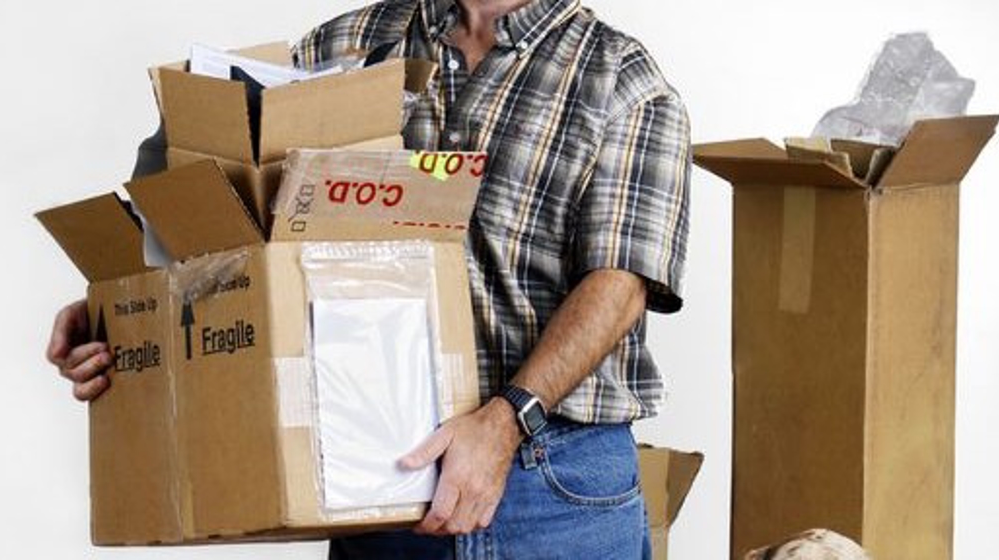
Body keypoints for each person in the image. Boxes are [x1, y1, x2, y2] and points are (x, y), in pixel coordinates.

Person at [47, 0, 691, 558]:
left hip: (553, 488)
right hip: (379, 472)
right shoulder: (343, 50)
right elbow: (219, 201)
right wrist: (128, 305)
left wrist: (502, 424)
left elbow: (620, 285)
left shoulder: (624, 83)